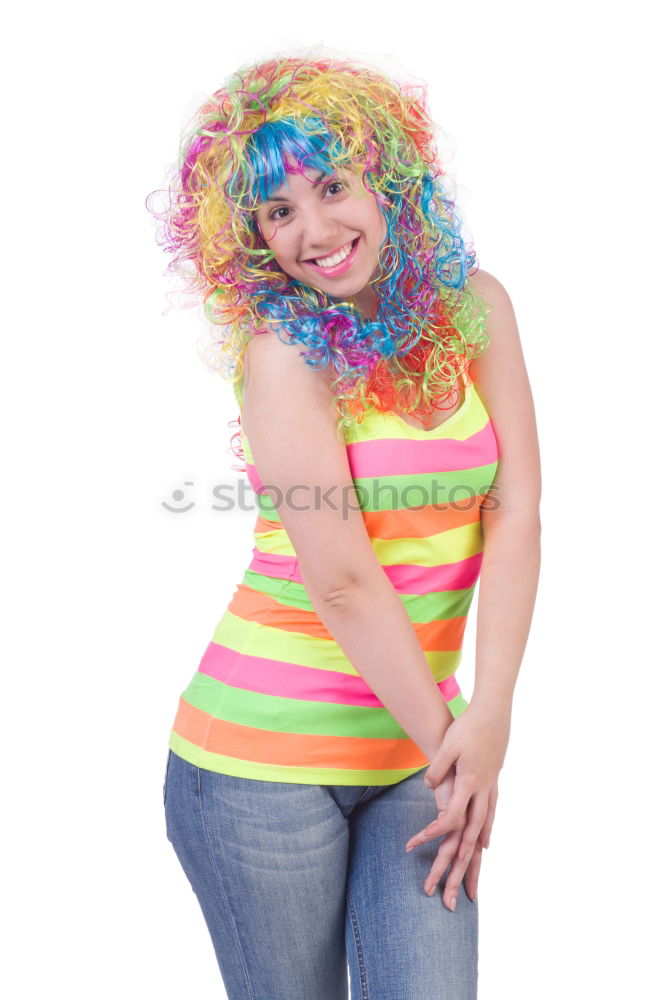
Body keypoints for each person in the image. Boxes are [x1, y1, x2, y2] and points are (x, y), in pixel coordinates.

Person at [148, 52, 541, 1000]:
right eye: (280, 211)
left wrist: (487, 719)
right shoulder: (285, 355)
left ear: (389, 185)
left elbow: (517, 509)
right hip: (255, 771)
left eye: (333, 186)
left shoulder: (475, 308)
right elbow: (343, 582)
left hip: (421, 742)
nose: (316, 230)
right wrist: (458, 745)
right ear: (250, 236)